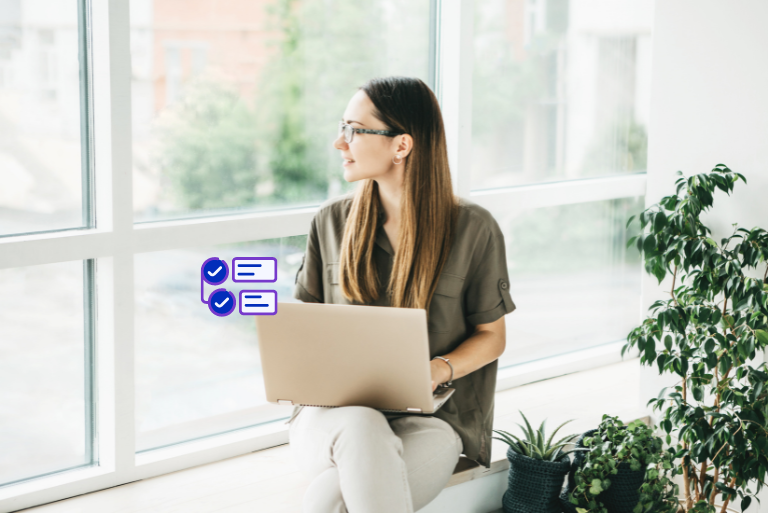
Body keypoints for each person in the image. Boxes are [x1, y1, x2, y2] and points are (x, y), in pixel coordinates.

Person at [288, 76, 517, 513]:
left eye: (355, 129)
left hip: (430, 422)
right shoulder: (330, 222)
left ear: (402, 146)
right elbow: (306, 330)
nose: (340, 142)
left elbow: (493, 335)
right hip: (332, 418)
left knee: (330, 499)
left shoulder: (474, 228)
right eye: (342, 127)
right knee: (360, 424)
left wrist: (435, 369)